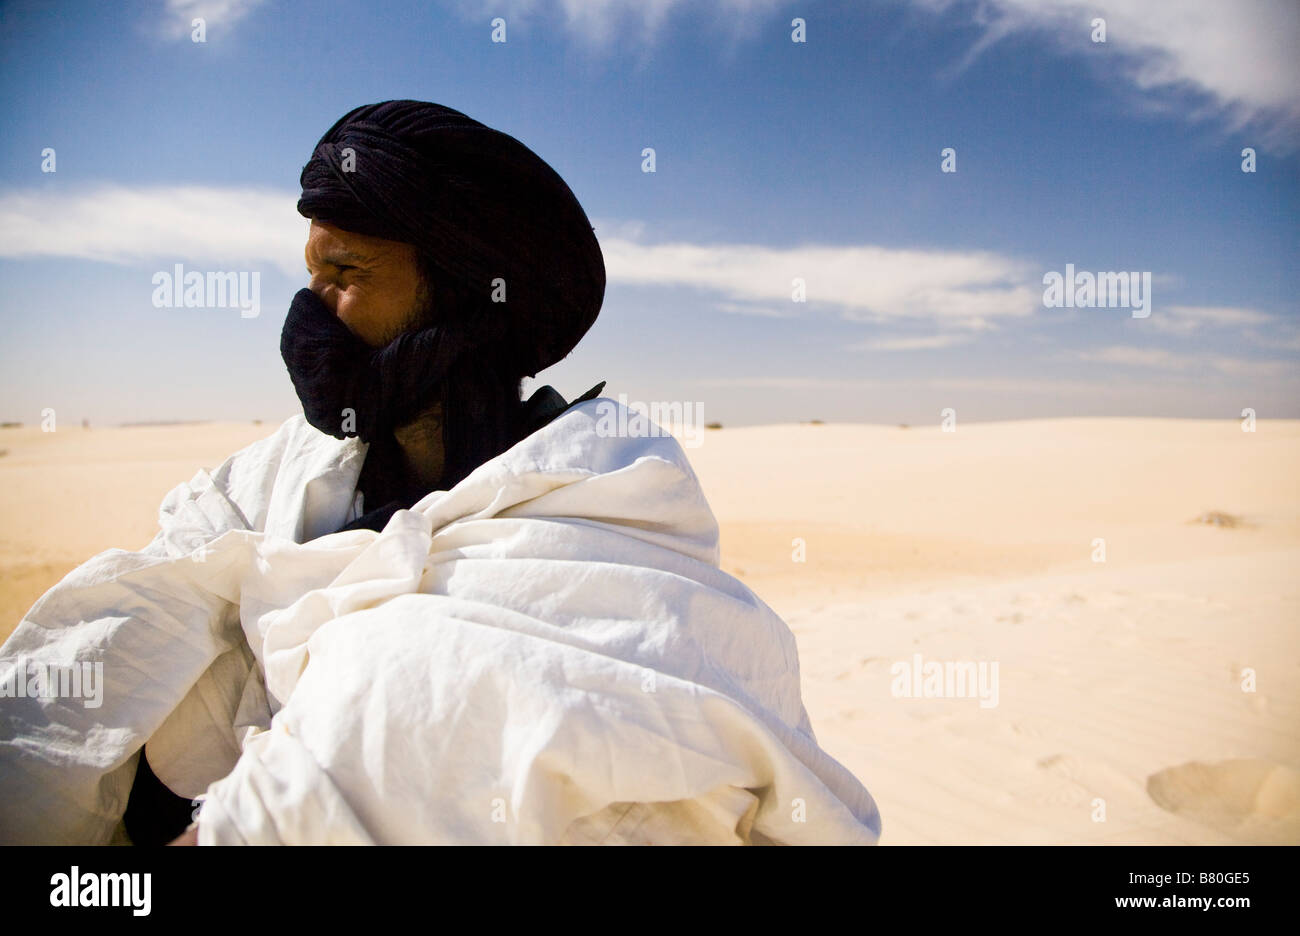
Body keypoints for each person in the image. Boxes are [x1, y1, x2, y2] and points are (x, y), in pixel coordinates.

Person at [0, 101, 881, 846]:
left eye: (347, 273)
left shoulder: (610, 508)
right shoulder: (278, 477)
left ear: (463, 290)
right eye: (311, 275)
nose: (314, 310)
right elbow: (117, 640)